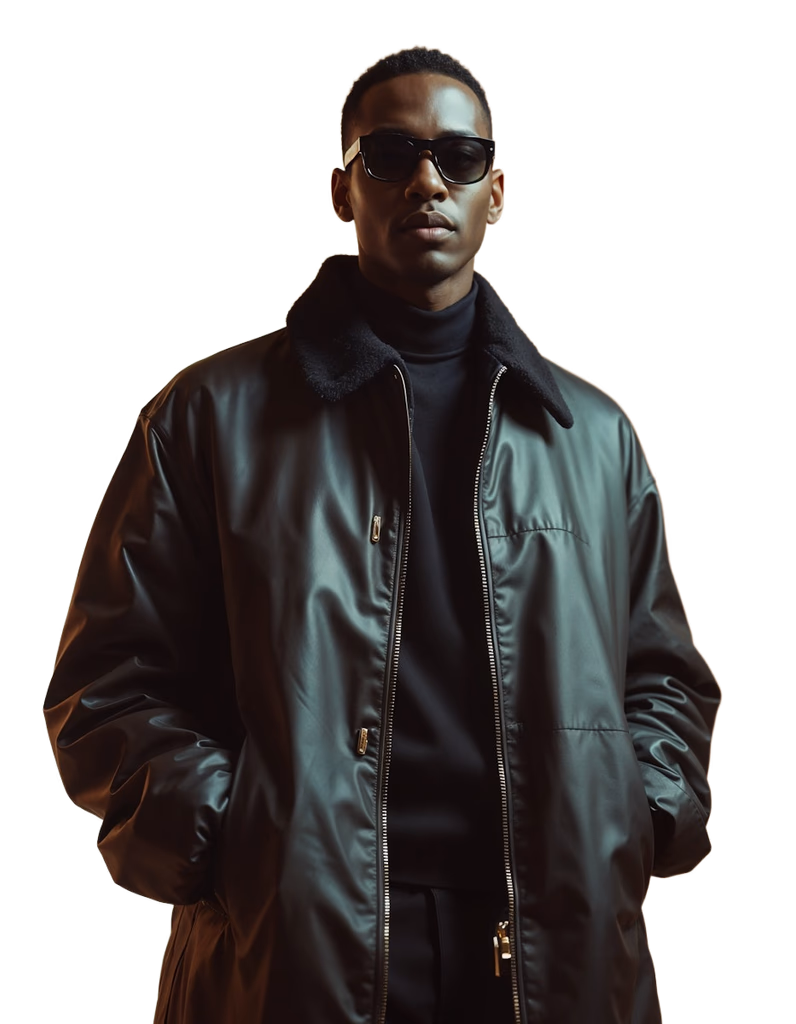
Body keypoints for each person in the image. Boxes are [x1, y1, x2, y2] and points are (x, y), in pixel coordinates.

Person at [43, 45, 721, 1024]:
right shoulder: (208, 415)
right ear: (341, 189)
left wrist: (635, 812)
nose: (427, 182)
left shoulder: (594, 434)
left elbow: (665, 681)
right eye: (392, 154)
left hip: (555, 938)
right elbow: (106, 682)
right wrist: (227, 835)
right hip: (294, 941)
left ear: (496, 193)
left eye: (460, 156)